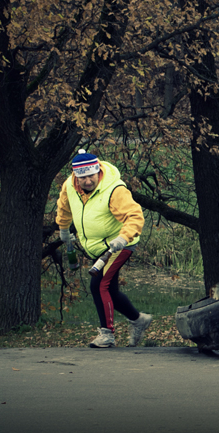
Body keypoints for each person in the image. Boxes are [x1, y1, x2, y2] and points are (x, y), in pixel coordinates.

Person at [56, 149, 152, 348]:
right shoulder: (69, 186)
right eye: (82, 178)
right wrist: (64, 229)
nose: (88, 181)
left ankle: (107, 334)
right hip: (98, 247)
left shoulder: (114, 189)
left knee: (98, 285)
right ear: (76, 176)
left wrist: (123, 237)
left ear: (98, 171)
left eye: (91, 176)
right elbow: (64, 207)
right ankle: (138, 319)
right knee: (111, 292)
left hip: (119, 244)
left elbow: (135, 216)